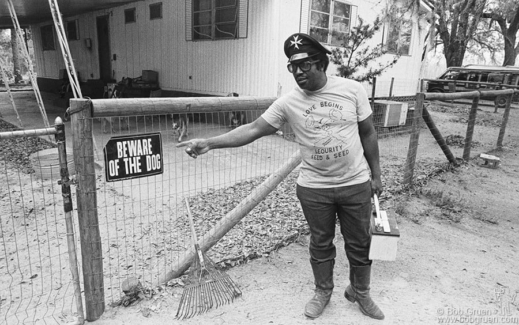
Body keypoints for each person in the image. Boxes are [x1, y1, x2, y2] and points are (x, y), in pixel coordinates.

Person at [177, 33, 384, 320]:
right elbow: (252, 129)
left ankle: (361, 291)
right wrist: (211, 142)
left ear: (320, 63)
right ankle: (323, 291)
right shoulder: (289, 102)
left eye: (304, 65)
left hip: (355, 183)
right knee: (321, 243)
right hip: (314, 188)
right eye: (292, 66)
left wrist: (376, 175)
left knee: (360, 242)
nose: (298, 72)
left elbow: (368, 133)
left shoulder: (352, 90)